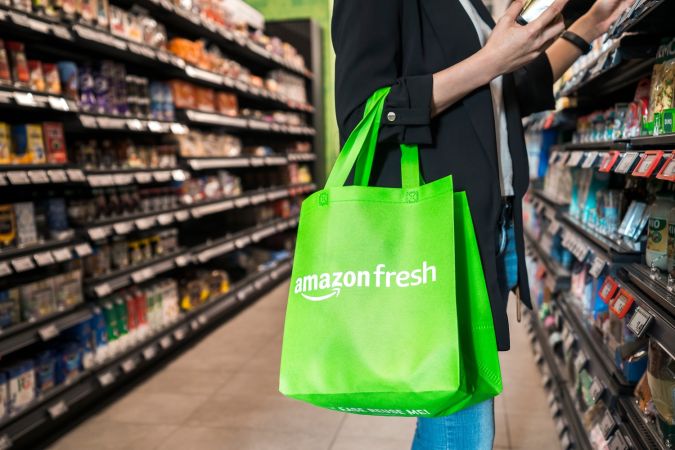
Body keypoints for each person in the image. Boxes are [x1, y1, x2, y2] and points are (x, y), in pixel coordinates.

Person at [331, 0, 630, 448]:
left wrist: (591, 23)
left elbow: (512, 89)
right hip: (438, 232)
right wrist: (490, 60)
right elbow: (364, 115)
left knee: (448, 405)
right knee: (464, 424)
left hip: (487, 223)